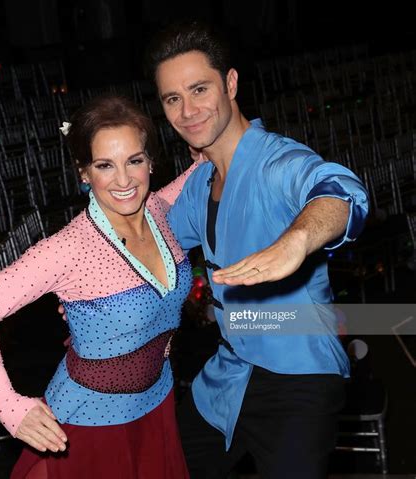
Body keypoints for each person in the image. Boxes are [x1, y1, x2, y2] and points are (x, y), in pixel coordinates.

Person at [143, 21, 370, 479]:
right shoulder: (202, 183)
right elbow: (152, 240)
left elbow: (341, 192)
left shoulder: (275, 163)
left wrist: (297, 239)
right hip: (229, 374)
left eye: (199, 89)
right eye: (173, 99)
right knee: (165, 464)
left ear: (230, 83)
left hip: (298, 378)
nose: (188, 111)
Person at [0, 94, 201, 478]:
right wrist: (9, 407)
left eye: (134, 160)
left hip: (158, 404)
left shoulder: (157, 210)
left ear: (150, 161)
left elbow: (190, 179)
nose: (123, 180)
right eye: (105, 165)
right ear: (84, 173)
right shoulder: (68, 248)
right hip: (89, 424)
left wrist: (210, 150)